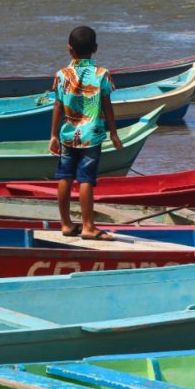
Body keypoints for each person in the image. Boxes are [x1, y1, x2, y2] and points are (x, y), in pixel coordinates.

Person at [48, 26, 122, 240]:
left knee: (64, 177)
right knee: (86, 180)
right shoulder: (102, 75)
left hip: (67, 135)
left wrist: (53, 136)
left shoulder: (62, 75)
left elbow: (57, 107)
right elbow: (107, 106)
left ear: (69, 49)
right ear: (96, 49)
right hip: (92, 136)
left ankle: (66, 224)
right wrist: (114, 134)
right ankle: (88, 226)